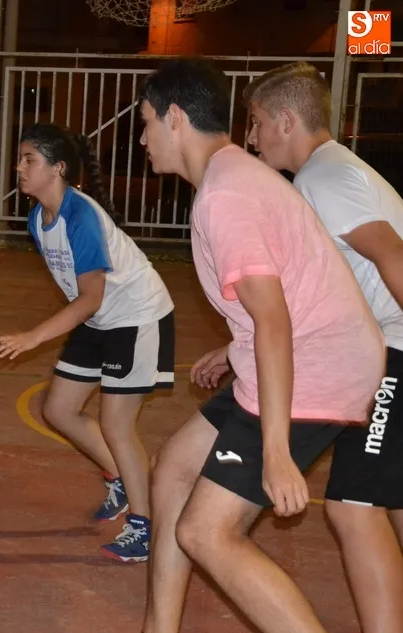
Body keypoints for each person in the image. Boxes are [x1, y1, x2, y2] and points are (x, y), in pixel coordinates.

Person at [136, 57, 385, 633]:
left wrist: (276, 451)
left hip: (314, 368)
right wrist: (234, 350)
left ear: (175, 118)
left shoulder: (225, 196)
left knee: (206, 531)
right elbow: (281, 295)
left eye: (146, 123)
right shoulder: (230, 176)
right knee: (174, 467)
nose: (143, 139)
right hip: (299, 356)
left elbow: (273, 321)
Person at [243, 61, 403, 633]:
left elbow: (392, 255)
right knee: (391, 496)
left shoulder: (323, 179)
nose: (252, 137)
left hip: (394, 351)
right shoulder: (333, 172)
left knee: (354, 504)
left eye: (257, 122)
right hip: (385, 348)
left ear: (287, 121)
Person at [0, 122, 175, 563]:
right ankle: (120, 479)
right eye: (19, 159)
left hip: (137, 316)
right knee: (58, 409)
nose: (19, 168)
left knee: (117, 425)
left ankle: (146, 528)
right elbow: (84, 296)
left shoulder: (81, 216)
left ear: (57, 168)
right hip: (100, 319)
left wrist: (34, 336)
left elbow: (91, 296)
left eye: (29, 160)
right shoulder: (37, 219)